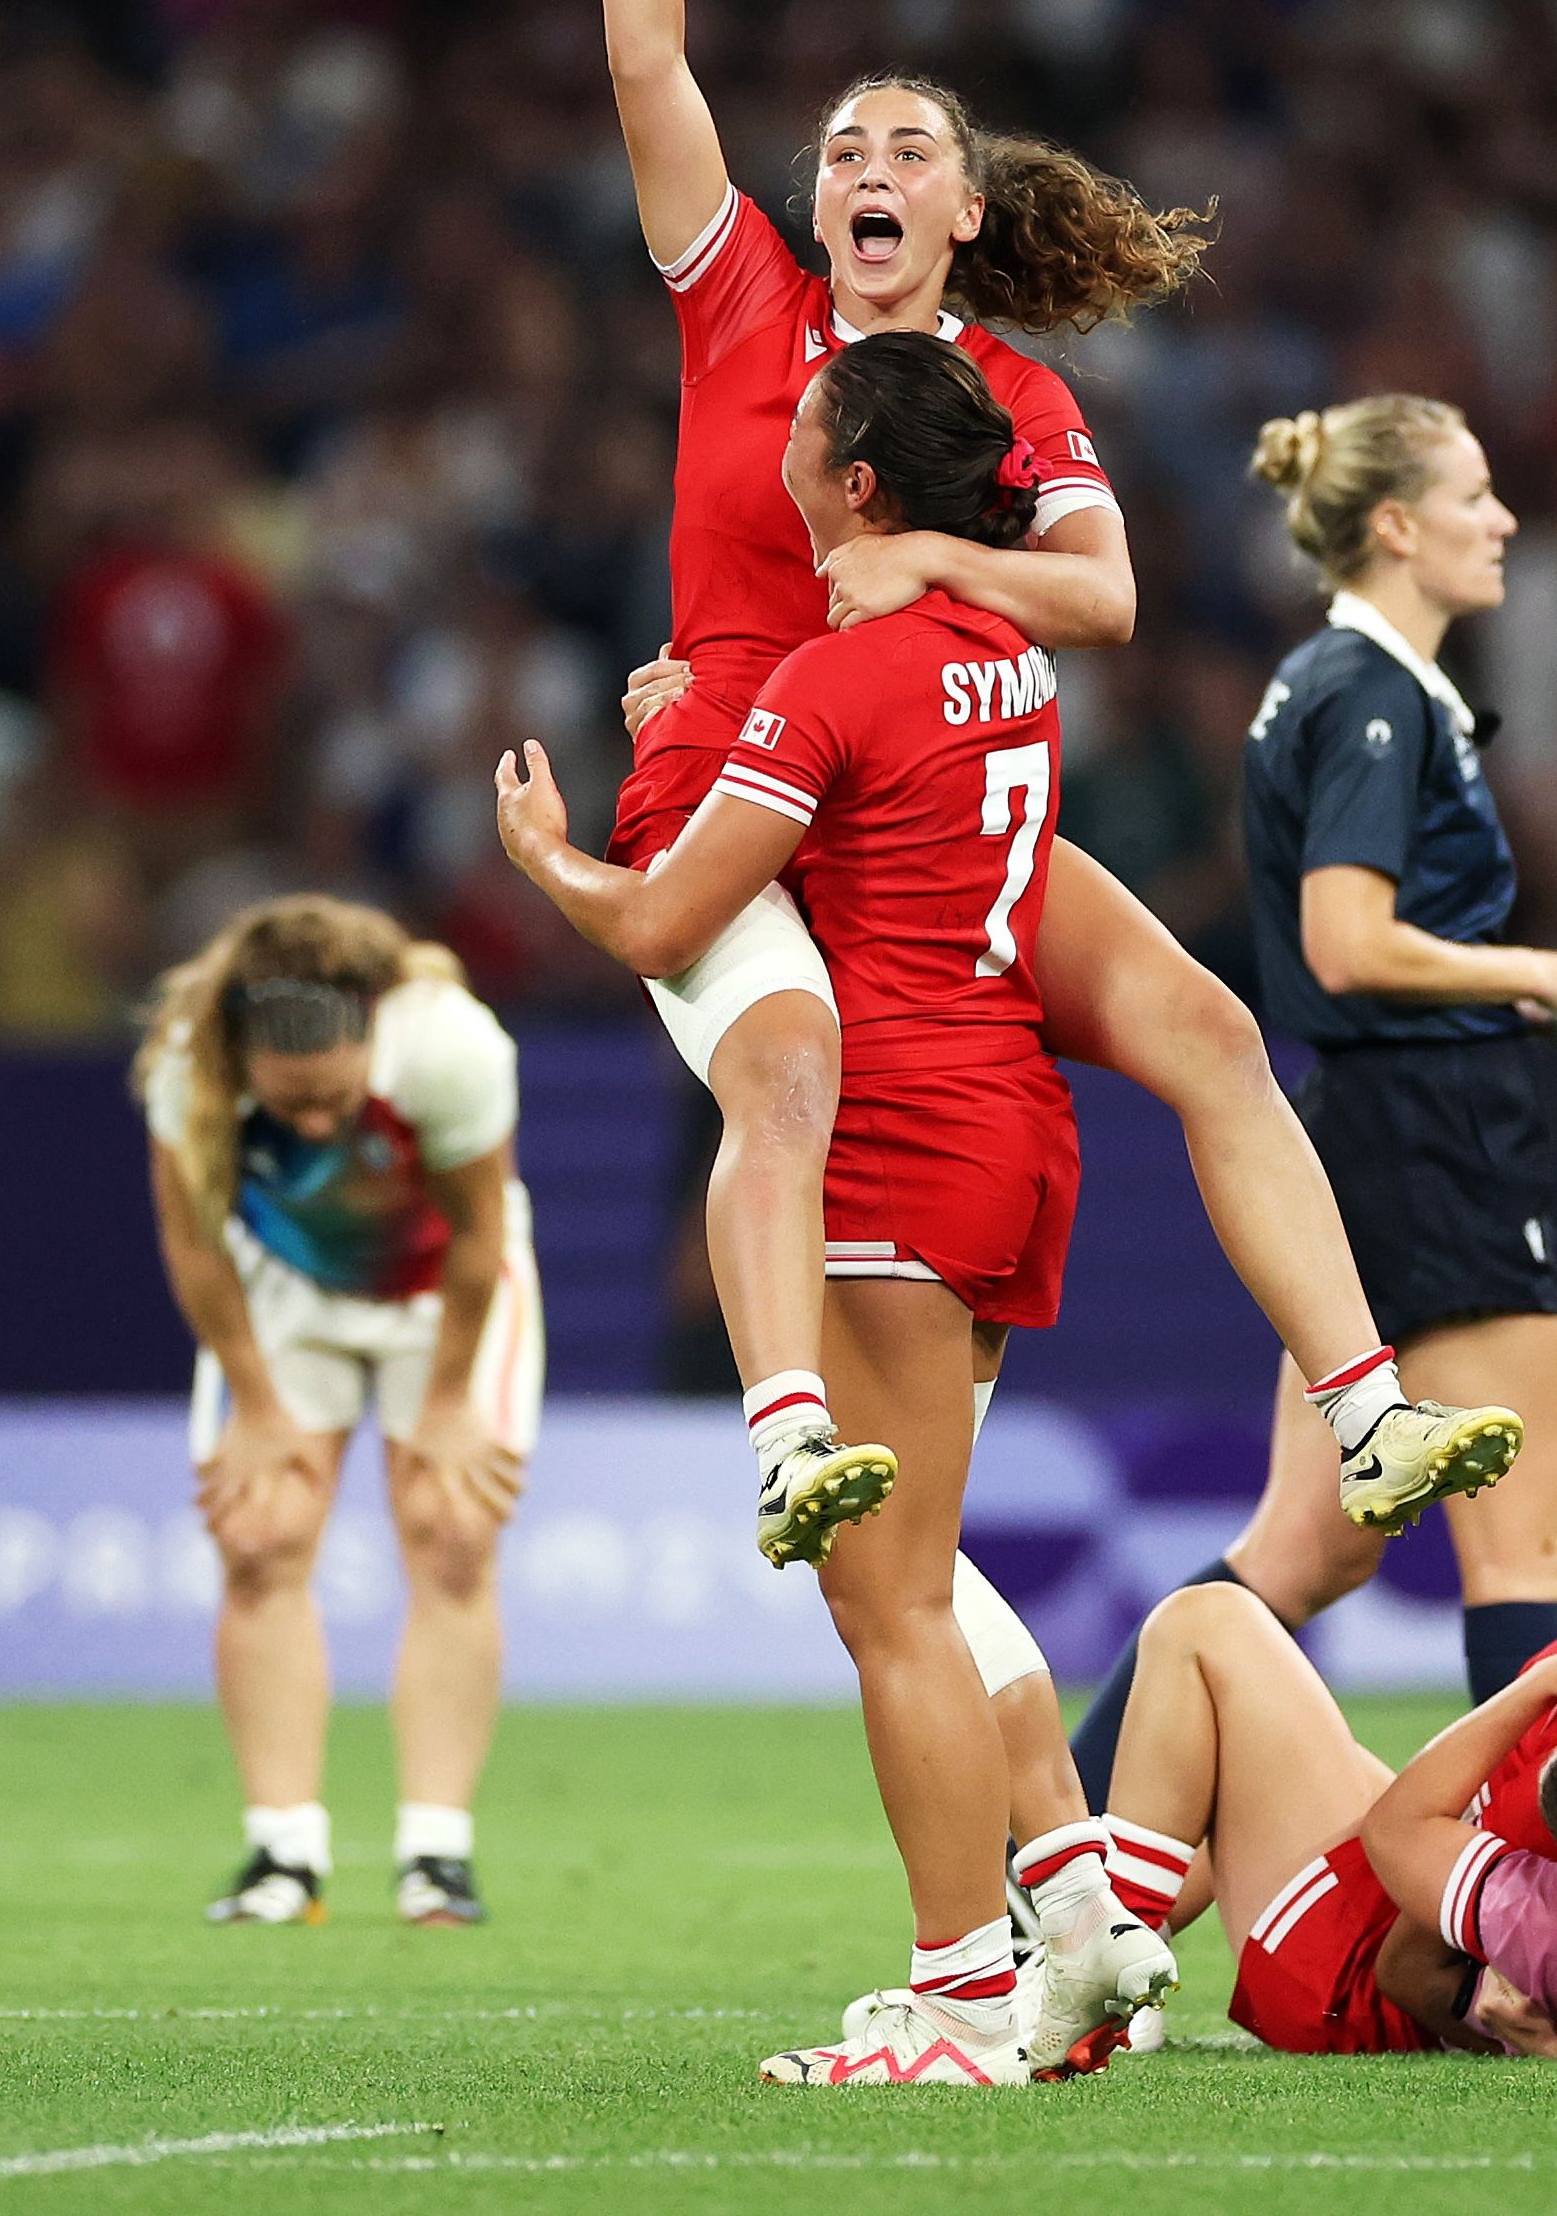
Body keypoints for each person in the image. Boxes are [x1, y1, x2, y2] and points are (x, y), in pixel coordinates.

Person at [571, 0, 1515, 1568]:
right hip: (765, 780)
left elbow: (1108, 595)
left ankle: (1361, 1415)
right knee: (783, 1089)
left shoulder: (1011, 393)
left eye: (907, 145)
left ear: (967, 212)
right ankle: (785, 1442)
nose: (864, 163)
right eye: (842, 146)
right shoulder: (740, 296)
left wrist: (923, 555)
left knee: (1209, 1032)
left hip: (920, 808)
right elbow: (646, 58)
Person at [496, 331, 1166, 2087]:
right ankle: (1076, 1922)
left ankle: (953, 2005)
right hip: (1018, 1127)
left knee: (889, 1608)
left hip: (890, 1137)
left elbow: (658, 927)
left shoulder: (827, 680)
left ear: (854, 486)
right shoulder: (1004, 654)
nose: (772, 432)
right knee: (926, 1576)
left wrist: (548, 850)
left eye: (800, 422)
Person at [1068, 395, 1557, 1800]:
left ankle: (1063, 1858)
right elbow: (1349, 942)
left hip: (1367, 1123)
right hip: (1436, 1135)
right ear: (1399, 525)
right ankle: (1545, 1905)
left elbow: (1358, 957)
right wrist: (1541, 964)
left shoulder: (1323, 681)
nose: (1505, 519)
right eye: (1476, 495)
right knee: (1523, 1539)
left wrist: (1534, 1002)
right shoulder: (1374, 694)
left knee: (1307, 1544)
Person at [133, 894, 539, 1931]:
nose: (315, 1122)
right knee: (260, 1536)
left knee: (450, 1532)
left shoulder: (448, 1047)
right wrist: (257, 1401)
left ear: (371, 1033)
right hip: (289, 1287)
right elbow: (192, 1244)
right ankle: (283, 1853)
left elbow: (479, 1230)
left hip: (443, 1288)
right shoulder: (191, 1063)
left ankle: (435, 1856)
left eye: (333, 1097)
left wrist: (448, 1399)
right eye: (291, 1103)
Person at [1096, 1592, 1557, 2057]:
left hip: (1344, 1970)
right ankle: (1079, 1930)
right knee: (1225, 1758)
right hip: (1418, 1895)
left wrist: (1537, 1689)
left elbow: (1408, 1949)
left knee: (1204, 1621)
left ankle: (1099, 1976)